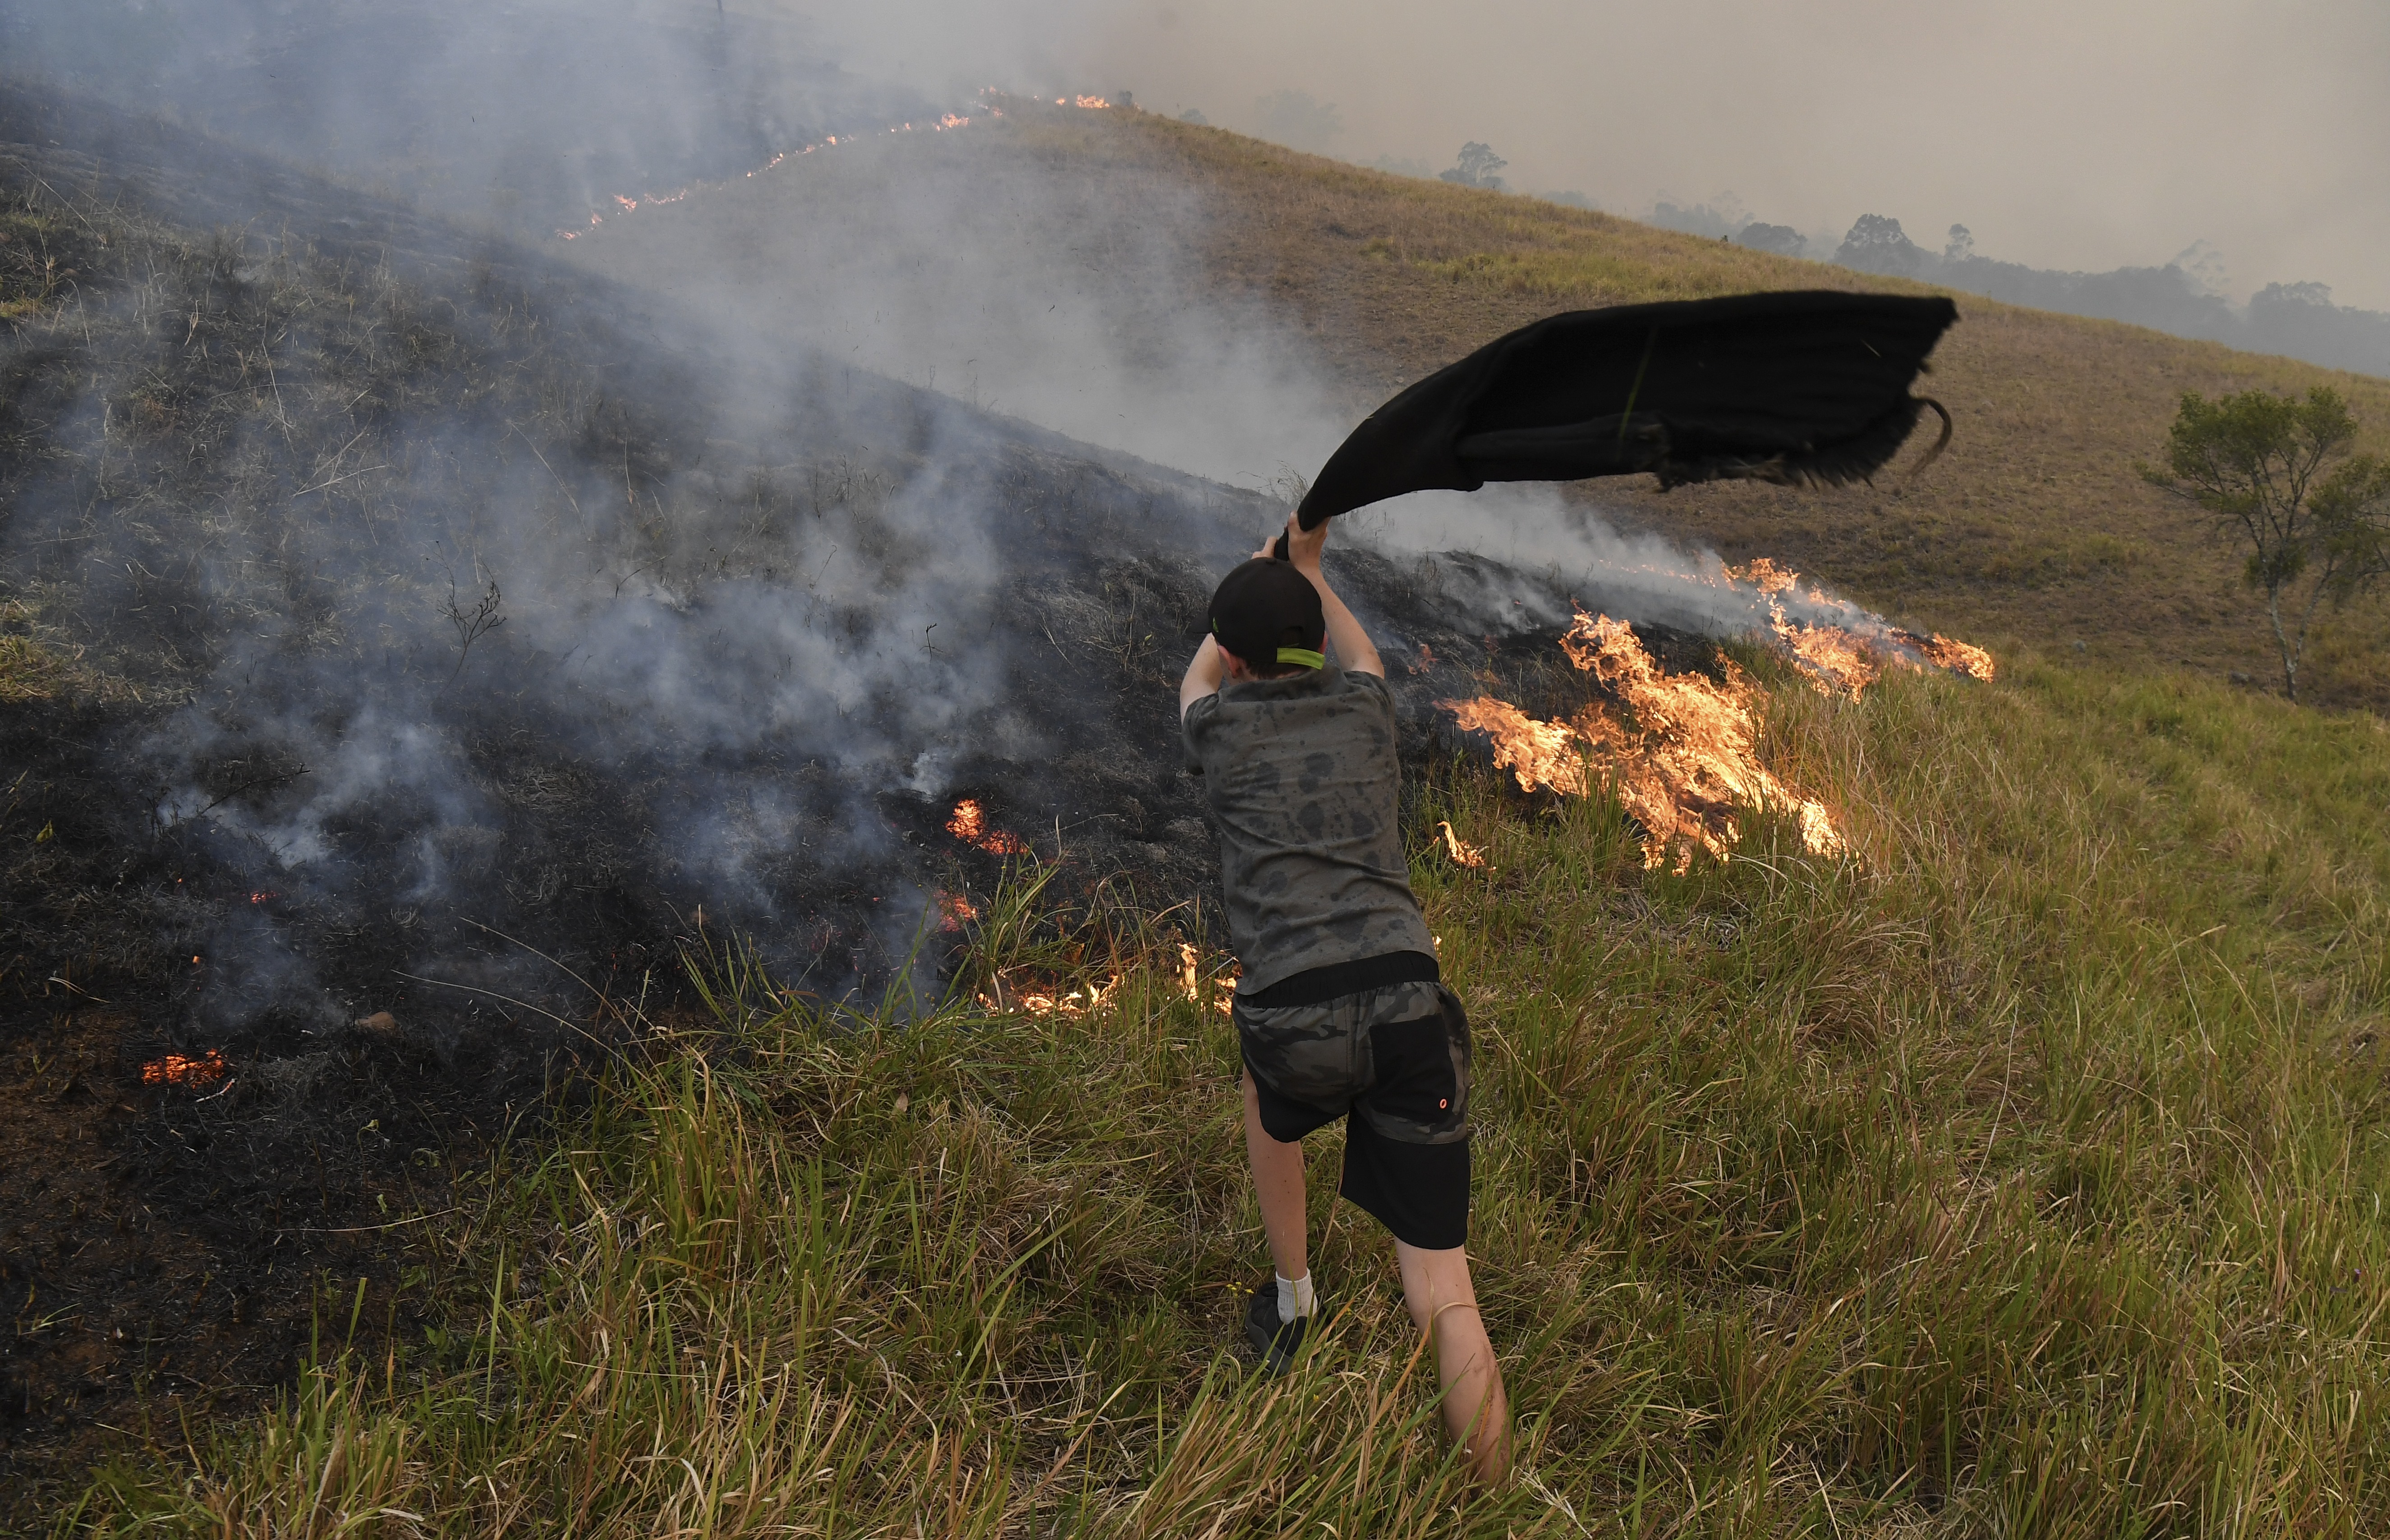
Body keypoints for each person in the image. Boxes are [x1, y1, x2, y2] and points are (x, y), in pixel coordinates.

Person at [1178, 509, 1509, 1484]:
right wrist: (1310, 569)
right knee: (1443, 1285)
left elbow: (1197, 676)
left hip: (1292, 1016)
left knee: (1263, 1095)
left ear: (1235, 662)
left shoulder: (1218, 730)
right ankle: (1492, 1497)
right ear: (1316, 643)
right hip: (1408, 1004)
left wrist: (1255, 568)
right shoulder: (1366, 710)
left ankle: (1293, 1294)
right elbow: (1354, 652)